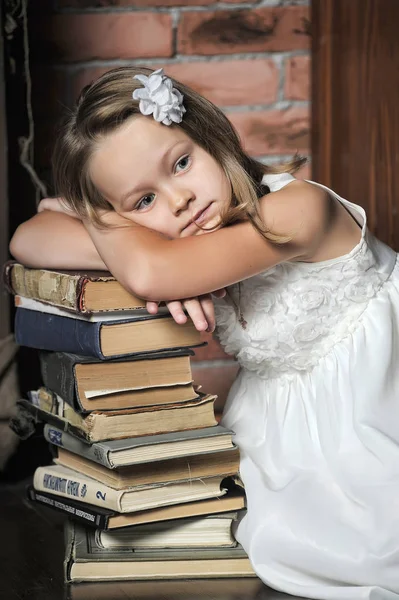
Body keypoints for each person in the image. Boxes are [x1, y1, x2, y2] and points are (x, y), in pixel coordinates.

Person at [10, 67, 399, 599]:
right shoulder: (184, 244)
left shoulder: (304, 209)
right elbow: (27, 238)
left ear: (212, 137)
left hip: (377, 409)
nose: (179, 201)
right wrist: (128, 236)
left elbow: (149, 273)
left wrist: (112, 228)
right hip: (288, 427)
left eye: (183, 163)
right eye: (143, 201)